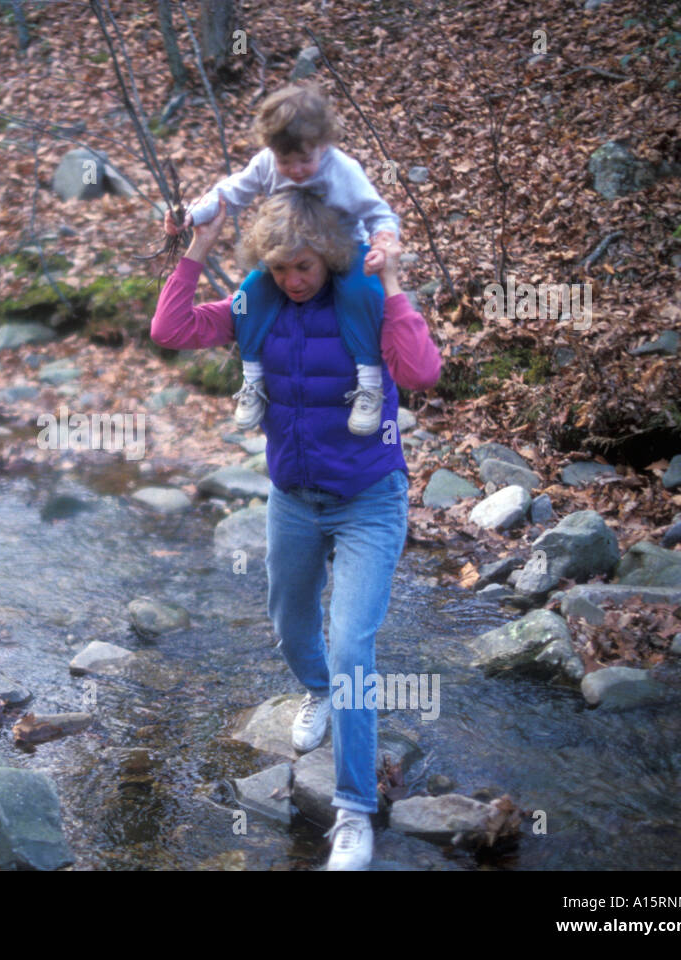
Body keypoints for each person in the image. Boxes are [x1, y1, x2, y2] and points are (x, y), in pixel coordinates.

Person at [150, 190, 441, 870]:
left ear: (329, 257)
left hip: (370, 498)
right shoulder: (260, 303)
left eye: (304, 266)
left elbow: (422, 372)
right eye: (280, 268)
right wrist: (198, 247)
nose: (293, 280)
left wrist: (394, 278)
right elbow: (170, 331)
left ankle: (353, 813)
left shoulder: (362, 298)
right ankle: (318, 692)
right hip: (293, 498)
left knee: (352, 649)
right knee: (289, 625)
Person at [166, 82, 400, 436]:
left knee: (361, 294)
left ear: (324, 143)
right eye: (285, 161)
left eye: (305, 160)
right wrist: (192, 216)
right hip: (290, 250)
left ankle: (368, 384)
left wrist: (382, 242)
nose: (295, 170)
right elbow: (231, 194)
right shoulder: (266, 165)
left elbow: (377, 213)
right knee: (251, 295)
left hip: (345, 252)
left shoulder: (343, 170)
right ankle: (253, 381)